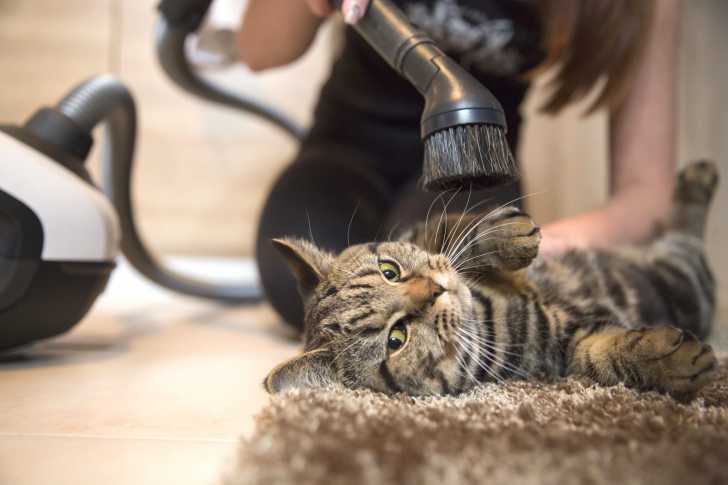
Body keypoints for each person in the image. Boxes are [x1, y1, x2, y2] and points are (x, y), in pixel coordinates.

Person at [237, 0, 680, 329]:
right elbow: (258, 51)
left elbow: (647, 195)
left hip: (473, 171)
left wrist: (560, 243)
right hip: (346, 150)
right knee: (300, 284)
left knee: (445, 298)